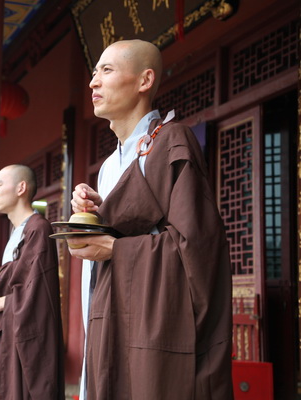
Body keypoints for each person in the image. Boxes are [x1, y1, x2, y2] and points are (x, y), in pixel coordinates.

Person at [68, 39, 233, 399]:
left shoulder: (172, 141)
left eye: (106, 70)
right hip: (110, 315)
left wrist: (115, 248)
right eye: (94, 73)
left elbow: (197, 249)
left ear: (144, 81)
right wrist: (97, 215)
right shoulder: (110, 165)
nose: (93, 82)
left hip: (154, 325)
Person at [0, 165, 64, 400]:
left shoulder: (38, 229)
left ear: (21, 187)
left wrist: (1, 303)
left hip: (23, 339)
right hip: (7, 332)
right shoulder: (16, 233)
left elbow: (40, 294)